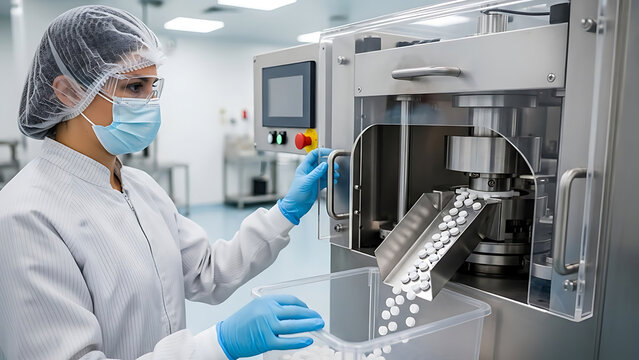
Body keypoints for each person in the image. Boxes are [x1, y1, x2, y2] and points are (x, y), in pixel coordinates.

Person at [0, 5, 338, 360]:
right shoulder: (26, 216)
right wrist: (216, 344)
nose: (150, 103)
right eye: (133, 87)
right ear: (67, 91)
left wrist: (285, 212)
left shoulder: (140, 187)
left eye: (152, 87)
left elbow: (207, 271)